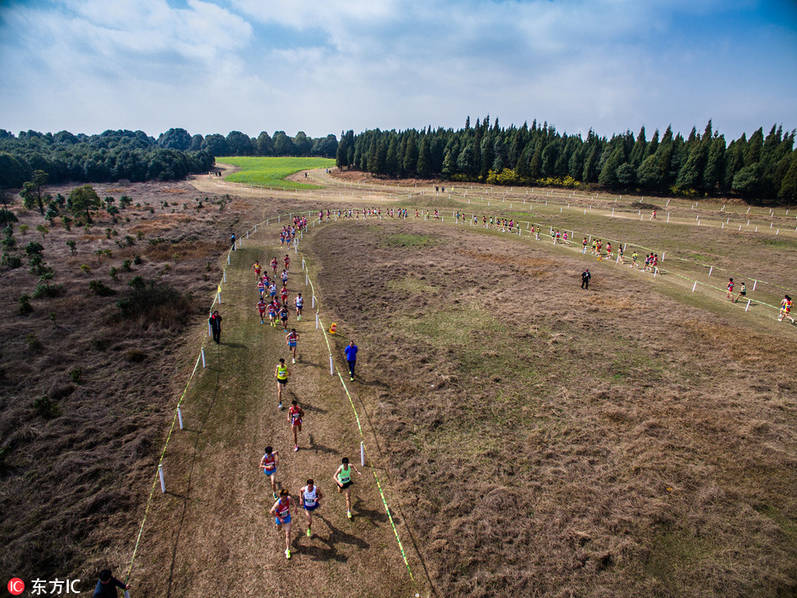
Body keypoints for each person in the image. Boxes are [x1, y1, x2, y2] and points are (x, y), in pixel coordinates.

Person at [269, 489, 294, 559]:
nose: (285, 499)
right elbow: (271, 512)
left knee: (288, 534)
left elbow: (292, 501)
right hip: (279, 519)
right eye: (283, 497)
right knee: (279, 529)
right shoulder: (277, 504)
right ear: (280, 497)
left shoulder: (288, 499)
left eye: (286, 497)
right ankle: (279, 527)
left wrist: (295, 507)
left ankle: (288, 550)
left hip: (287, 518)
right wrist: (279, 518)